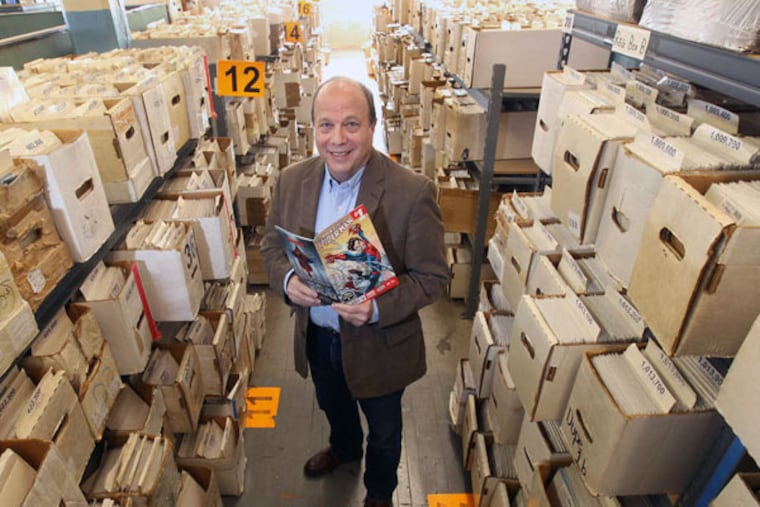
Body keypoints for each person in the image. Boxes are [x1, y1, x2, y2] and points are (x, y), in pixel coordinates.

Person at [261, 76, 449, 507]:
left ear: (372, 126)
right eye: (325, 126)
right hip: (320, 337)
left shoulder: (411, 192)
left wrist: (378, 308)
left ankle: (380, 492)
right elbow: (271, 245)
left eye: (351, 124)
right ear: (313, 130)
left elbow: (433, 277)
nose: (337, 139)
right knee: (334, 405)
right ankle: (345, 449)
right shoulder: (292, 180)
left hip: (380, 344)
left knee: (384, 431)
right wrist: (289, 282)